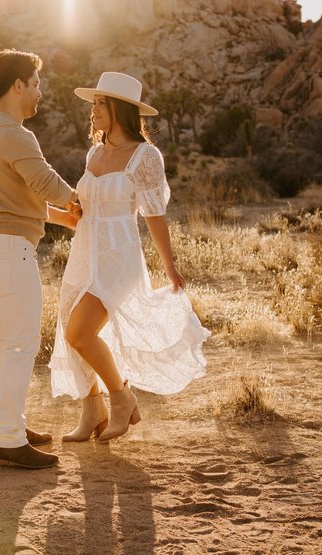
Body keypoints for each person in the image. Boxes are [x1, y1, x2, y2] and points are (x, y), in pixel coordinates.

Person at [49, 72, 210, 442]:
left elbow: (154, 215)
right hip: (84, 254)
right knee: (69, 331)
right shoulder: (95, 153)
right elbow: (81, 213)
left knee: (81, 331)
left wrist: (169, 267)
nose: (94, 111)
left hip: (119, 258)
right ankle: (92, 412)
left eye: (101, 104)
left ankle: (121, 399)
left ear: (120, 109)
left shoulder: (145, 156)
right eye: (94, 104)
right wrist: (36, 209)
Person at [0, 49, 81, 469]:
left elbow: (21, 199)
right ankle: (10, 439)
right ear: (17, 85)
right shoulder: (15, 133)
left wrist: (62, 219)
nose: (40, 92)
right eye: (35, 83)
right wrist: (85, 200)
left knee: (7, 345)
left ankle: (9, 427)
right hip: (9, 252)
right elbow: (45, 182)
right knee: (20, 345)